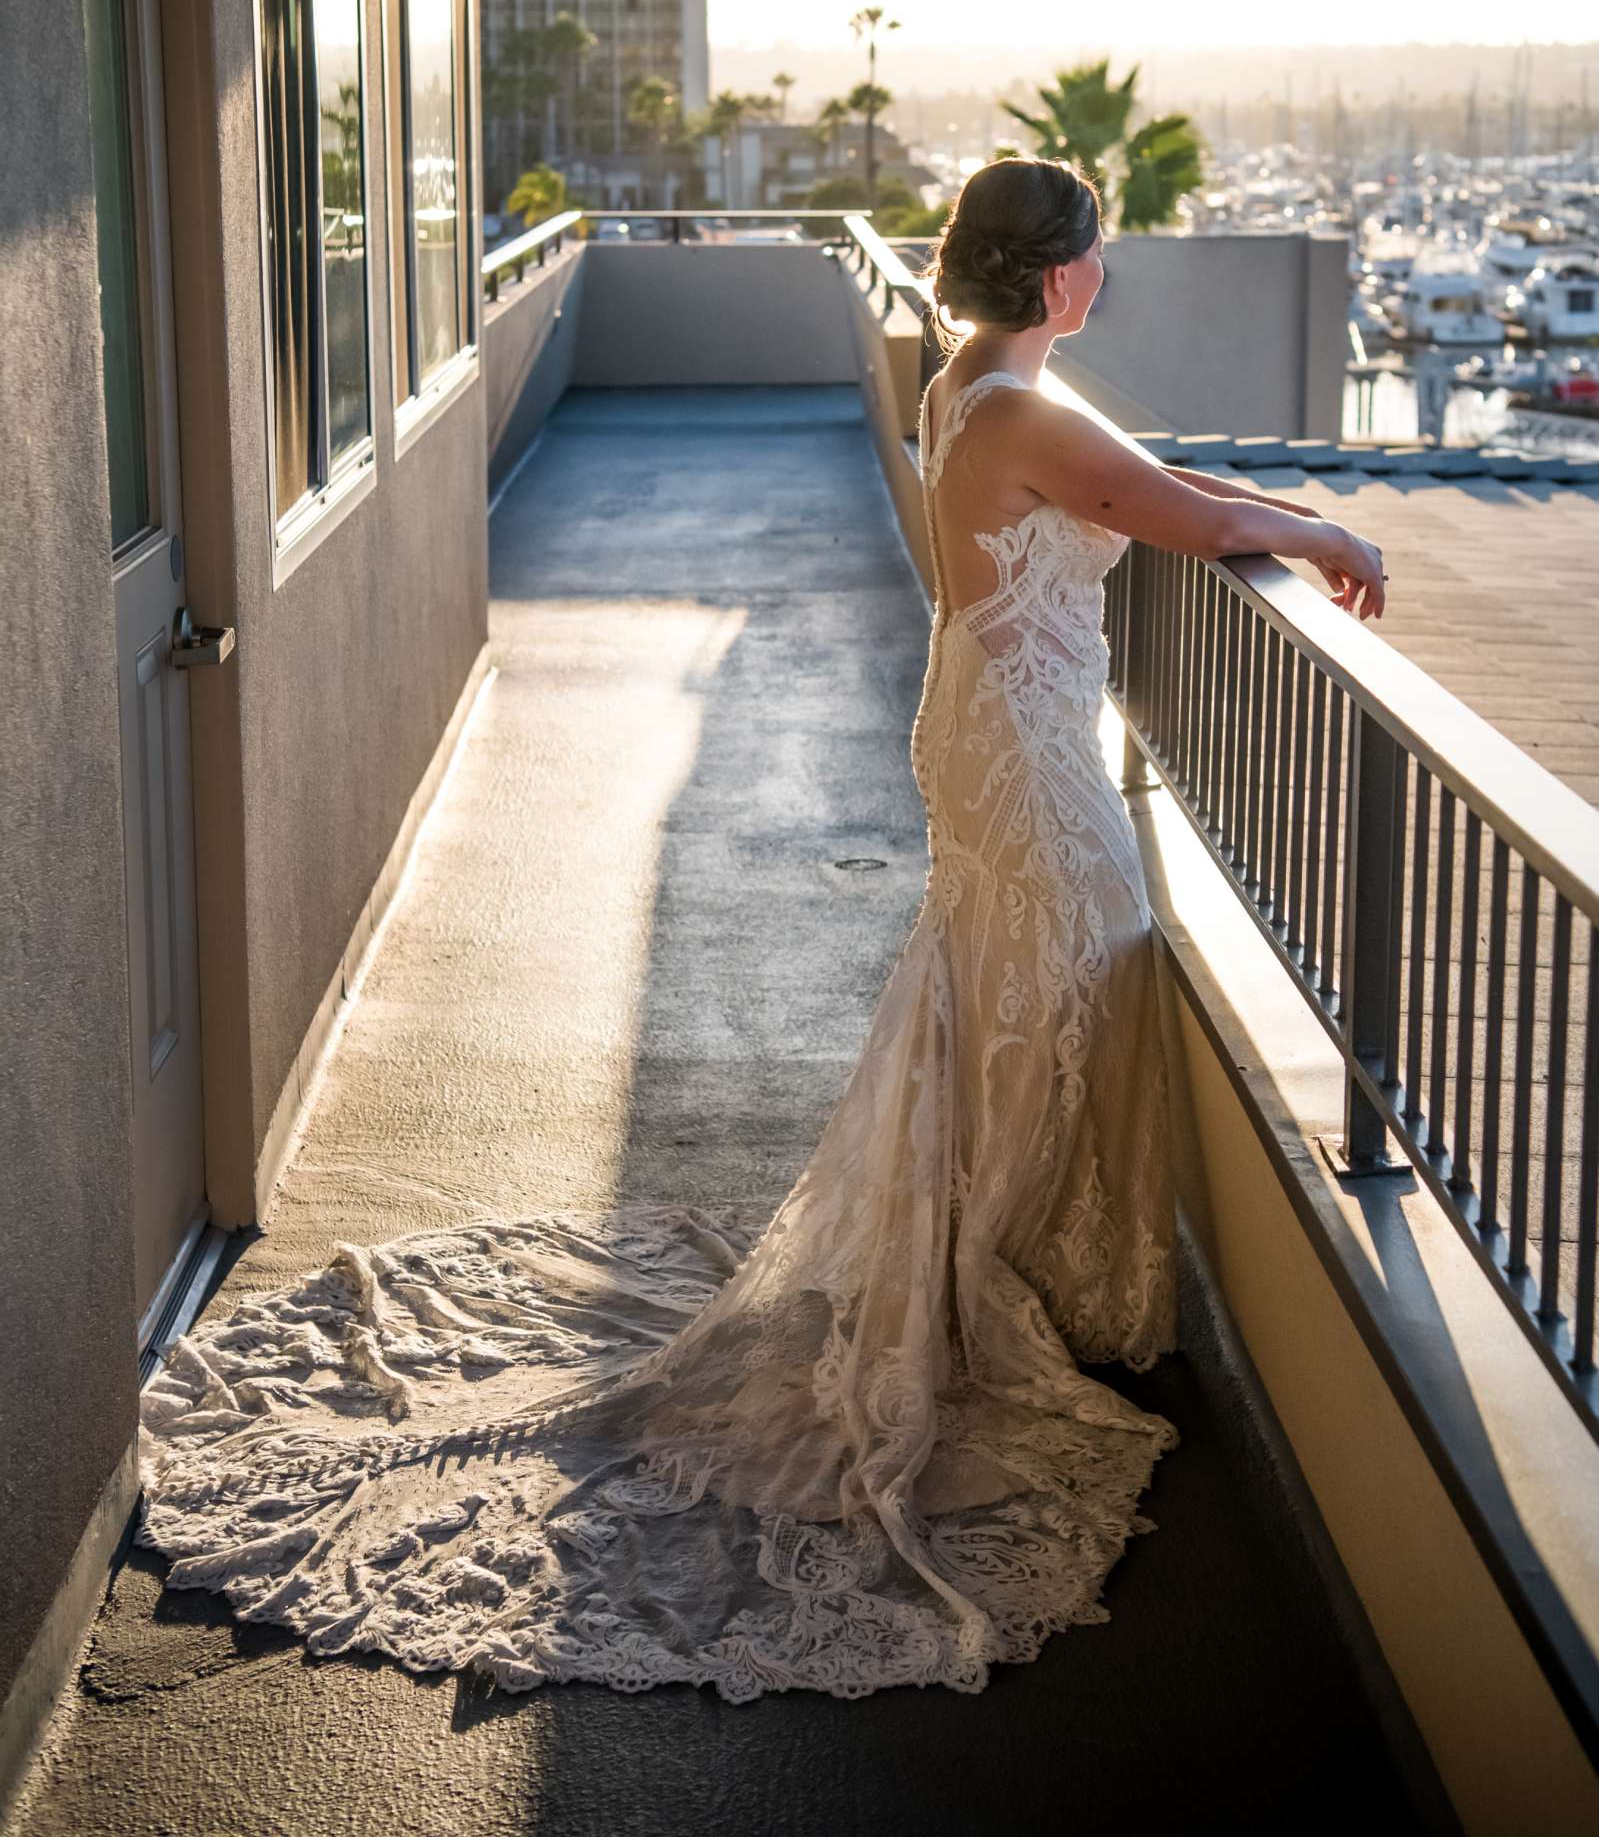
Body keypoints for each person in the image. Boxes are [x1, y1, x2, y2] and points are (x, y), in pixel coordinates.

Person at [140, 157, 1386, 1706]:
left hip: (1001, 731)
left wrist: (1297, 515)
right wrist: (1330, 535)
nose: (1107, 272)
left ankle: (990, 1257)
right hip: (1023, 756)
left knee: (1012, 989)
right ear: (1061, 277)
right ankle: (986, 1272)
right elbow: (1181, 513)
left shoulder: (984, 385)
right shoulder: (1012, 413)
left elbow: (1162, 489)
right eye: (1098, 254)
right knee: (1051, 984)